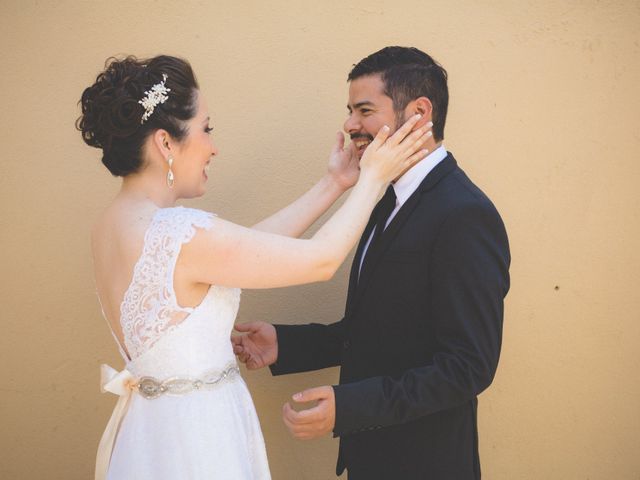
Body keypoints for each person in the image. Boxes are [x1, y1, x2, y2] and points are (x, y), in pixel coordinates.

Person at [78, 54, 431, 480]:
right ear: (166, 143)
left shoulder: (111, 225)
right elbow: (320, 260)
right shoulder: (178, 231)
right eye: (205, 129)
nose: (213, 146)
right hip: (199, 438)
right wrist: (374, 178)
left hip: (148, 432)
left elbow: (246, 250)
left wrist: (334, 184)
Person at [232, 46, 511, 479]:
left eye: (364, 110)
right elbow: (375, 330)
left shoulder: (463, 214)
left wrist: (350, 407)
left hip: (426, 463)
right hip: (372, 460)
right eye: (349, 111)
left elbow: (467, 366)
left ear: (420, 111)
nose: (349, 125)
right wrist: (284, 345)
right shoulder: (387, 200)